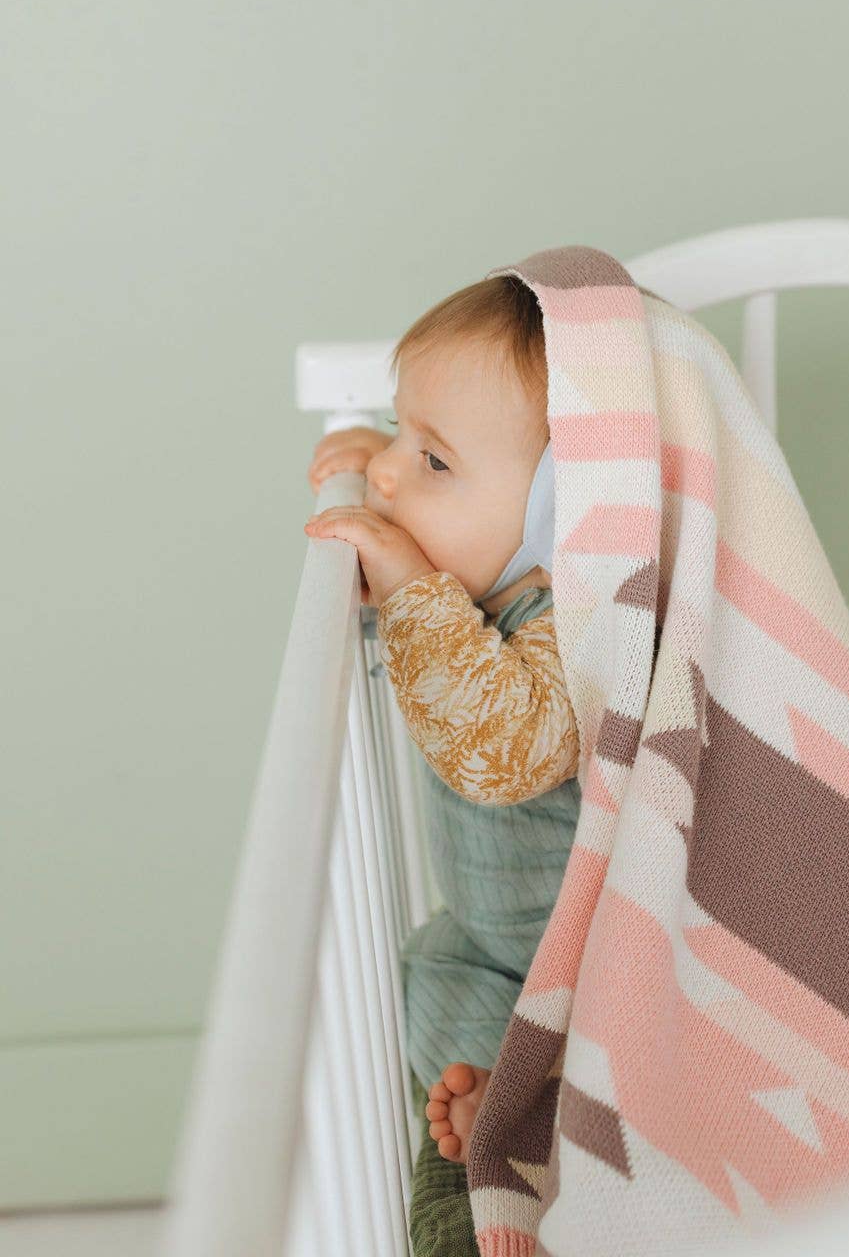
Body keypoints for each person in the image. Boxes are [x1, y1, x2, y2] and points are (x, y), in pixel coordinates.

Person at [303, 274, 583, 1249]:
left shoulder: (577, 630)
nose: (387, 476)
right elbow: (442, 623)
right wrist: (377, 456)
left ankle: (560, 1112)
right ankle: (514, 1095)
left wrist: (405, 581)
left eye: (431, 459)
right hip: (493, 946)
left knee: (629, 1036)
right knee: (422, 977)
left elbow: (499, 748)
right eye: (399, 431)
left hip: (600, 961)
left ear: (563, 511)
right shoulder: (486, 583)